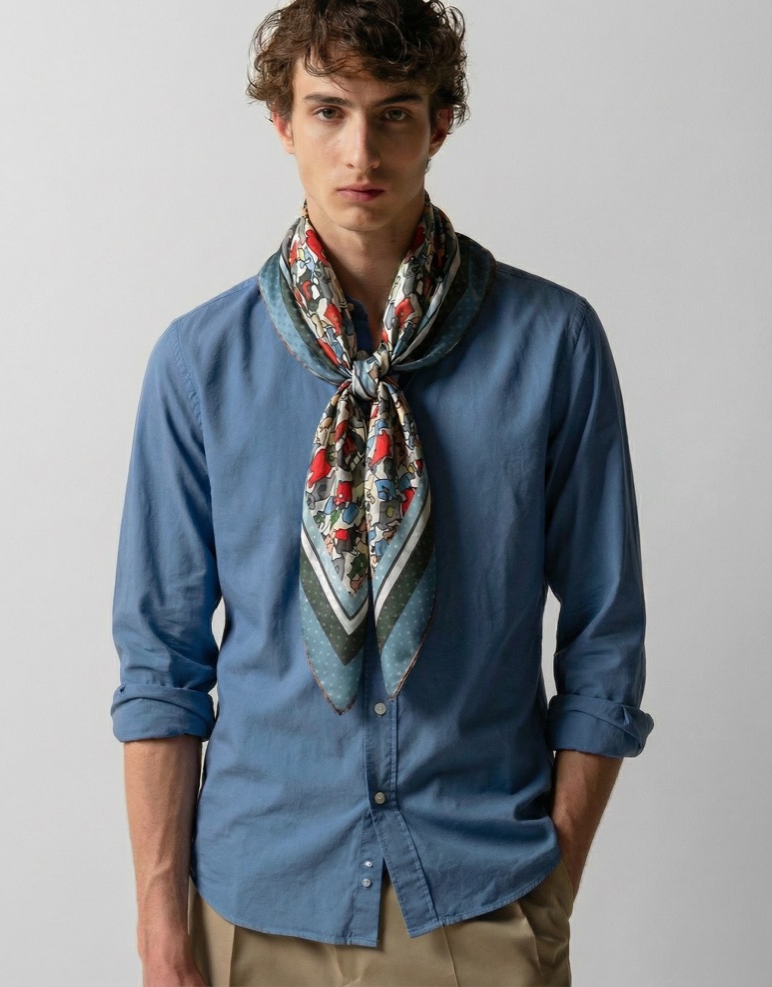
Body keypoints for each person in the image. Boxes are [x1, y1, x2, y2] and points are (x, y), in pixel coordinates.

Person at [111, 1, 654, 984]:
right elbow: (161, 661)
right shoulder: (198, 364)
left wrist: (553, 887)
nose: (360, 150)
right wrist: (160, 923)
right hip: (251, 898)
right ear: (282, 123)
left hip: (480, 895)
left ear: (439, 124)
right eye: (328, 110)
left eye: (394, 112)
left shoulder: (553, 344)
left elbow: (604, 637)